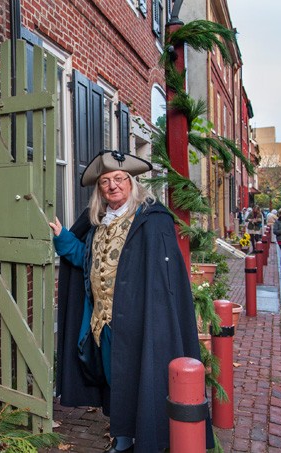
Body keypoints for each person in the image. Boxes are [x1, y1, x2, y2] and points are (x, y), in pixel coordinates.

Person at [50, 150, 213, 453]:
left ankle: (140, 436)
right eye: (105, 182)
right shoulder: (97, 224)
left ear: (131, 183)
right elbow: (85, 260)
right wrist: (62, 236)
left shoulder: (152, 220)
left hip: (140, 318)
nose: (112, 186)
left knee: (141, 376)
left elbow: (164, 276)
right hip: (103, 320)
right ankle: (123, 433)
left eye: (119, 179)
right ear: (99, 190)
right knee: (114, 376)